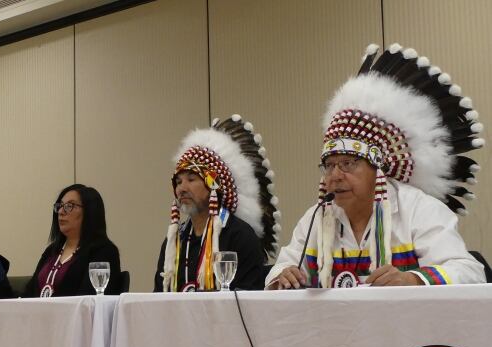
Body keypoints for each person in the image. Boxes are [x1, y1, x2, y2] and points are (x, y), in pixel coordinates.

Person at [266, 43, 485, 289]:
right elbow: (282, 266)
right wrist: (282, 275)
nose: (335, 176)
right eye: (329, 165)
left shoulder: (417, 210)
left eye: (348, 164)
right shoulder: (318, 217)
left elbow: (469, 271)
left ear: (378, 169)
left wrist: (412, 278)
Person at [154, 115, 280, 292]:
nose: (182, 188)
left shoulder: (239, 236)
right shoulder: (176, 240)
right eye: (179, 181)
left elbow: (247, 301)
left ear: (213, 186)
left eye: (191, 179)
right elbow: (159, 296)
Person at [23, 184, 122, 297]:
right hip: (38, 313)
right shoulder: (52, 250)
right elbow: (29, 293)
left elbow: (90, 299)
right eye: (60, 206)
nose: (61, 211)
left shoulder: (104, 251)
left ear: (90, 211)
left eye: (69, 206)